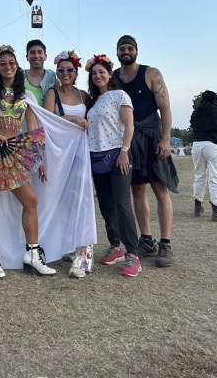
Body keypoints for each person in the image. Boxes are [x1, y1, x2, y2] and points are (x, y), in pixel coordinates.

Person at [0, 45, 96, 280]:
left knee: (31, 201)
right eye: (3, 64)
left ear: (17, 66)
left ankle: (33, 253)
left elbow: (35, 126)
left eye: (11, 63)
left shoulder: (25, 96)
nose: (8, 67)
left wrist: (39, 158)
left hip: (12, 154)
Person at [114, 35, 178, 268]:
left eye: (129, 48)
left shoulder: (151, 74)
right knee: (137, 191)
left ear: (136, 51)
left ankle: (165, 244)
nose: (126, 51)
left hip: (152, 136)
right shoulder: (113, 78)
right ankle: (146, 240)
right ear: (117, 53)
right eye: (122, 48)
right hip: (130, 140)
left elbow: (165, 106)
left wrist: (165, 138)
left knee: (160, 190)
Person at [86, 54, 141, 278]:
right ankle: (114, 245)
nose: (98, 75)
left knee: (122, 204)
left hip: (117, 155)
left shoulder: (120, 95)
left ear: (110, 74)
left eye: (102, 72)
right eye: (94, 73)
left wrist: (124, 151)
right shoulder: (92, 102)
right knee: (106, 204)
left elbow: (129, 126)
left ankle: (133, 254)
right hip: (97, 157)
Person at [44, 50, 93, 279]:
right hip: (59, 153)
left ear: (76, 72)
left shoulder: (84, 95)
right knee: (61, 199)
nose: (65, 73)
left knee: (82, 199)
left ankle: (83, 253)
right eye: (61, 70)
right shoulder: (52, 93)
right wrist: (73, 119)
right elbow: (47, 119)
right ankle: (67, 245)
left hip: (81, 153)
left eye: (69, 70)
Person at [190, 90, 217, 221]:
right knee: (215, 177)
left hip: (197, 145)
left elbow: (192, 124)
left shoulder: (196, 112)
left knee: (199, 175)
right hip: (213, 144)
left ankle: (198, 204)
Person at [23, 39, 56, 105]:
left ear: (45, 57)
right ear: (27, 57)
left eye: (39, 52)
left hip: (47, 115)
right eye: (32, 52)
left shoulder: (52, 77)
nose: (36, 56)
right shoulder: (19, 76)